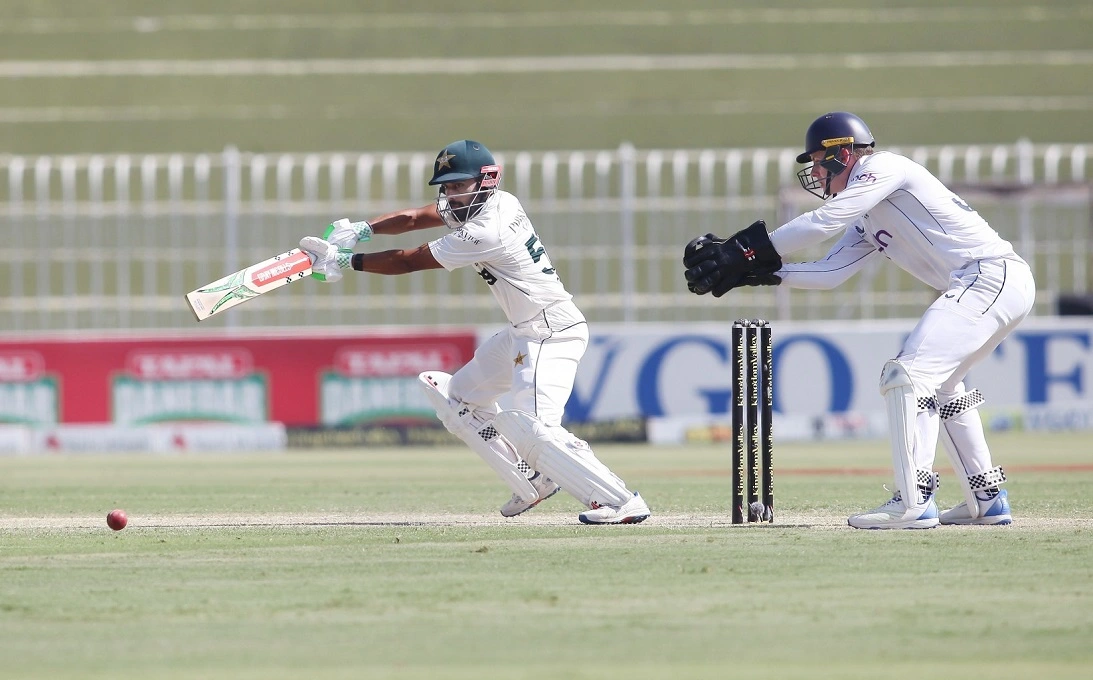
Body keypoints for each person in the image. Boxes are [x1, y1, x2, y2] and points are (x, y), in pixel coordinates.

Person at [683, 112, 1035, 529]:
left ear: (843, 153)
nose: (815, 172)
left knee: (907, 375)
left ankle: (913, 500)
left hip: (988, 277)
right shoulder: (868, 212)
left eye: (819, 161)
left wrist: (741, 251)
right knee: (943, 386)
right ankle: (986, 499)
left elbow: (824, 221)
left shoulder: (883, 167)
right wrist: (761, 274)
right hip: (993, 284)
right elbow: (830, 272)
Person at [299, 139, 650, 525]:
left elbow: (410, 261)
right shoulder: (493, 202)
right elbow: (415, 218)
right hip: (523, 332)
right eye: (446, 187)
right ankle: (534, 479)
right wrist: (364, 229)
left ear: (486, 180)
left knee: (534, 429)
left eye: (458, 185)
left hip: (551, 333)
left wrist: (345, 260)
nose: (450, 195)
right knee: (459, 399)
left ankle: (619, 500)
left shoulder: (487, 230)